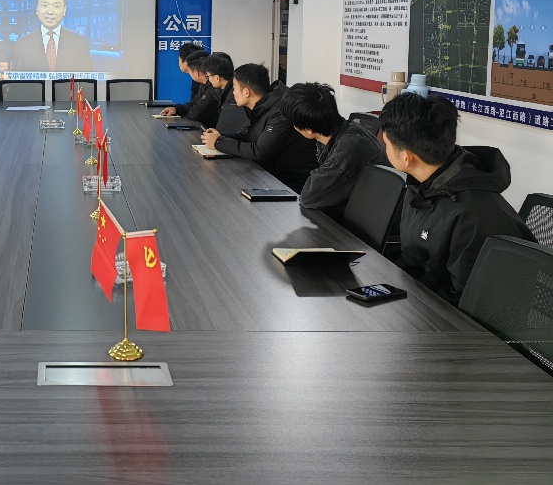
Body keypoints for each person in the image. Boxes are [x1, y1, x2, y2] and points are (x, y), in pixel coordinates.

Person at [378, 93, 535, 304]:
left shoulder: (472, 217)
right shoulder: (423, 185)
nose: (384, 149)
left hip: (454, 317)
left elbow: (465, 301)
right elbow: (414, 260)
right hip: (420, 298)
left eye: (386, 145)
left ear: (407, 158)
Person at [200, 63, 317, 193]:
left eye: (234, 88)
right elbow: (247, 135)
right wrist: (219, 136)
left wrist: (218, 142)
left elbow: (260, 152)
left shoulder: (280, 111)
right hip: (270, 176)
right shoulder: (262, 105)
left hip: (291, 183)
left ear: (246, 92)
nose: (233, 93)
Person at [280, 82, 388, 219]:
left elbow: (309, 197)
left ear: (308, 129)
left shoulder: (348, 148)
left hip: (359, 223)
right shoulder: (343, 129)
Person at [9, 0, 93, 71]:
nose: (50, 11)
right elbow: (15, 78)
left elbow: (88, 78)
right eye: (44, 5)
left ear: (64, 11)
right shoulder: (22, 44)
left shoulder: (80, 43)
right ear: (37, 9)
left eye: (56, 6)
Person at [159, 50, 221, 126]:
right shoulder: (203, 85)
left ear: (196, 73)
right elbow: (193, 102)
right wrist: (176, 109)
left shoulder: (213, 88)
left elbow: (195, 113)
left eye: (189, 72)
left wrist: (186, 110)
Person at [200, 51, 240, 129]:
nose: (208, 80)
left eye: (208, 76)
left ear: (217, 78)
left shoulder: (234, 96)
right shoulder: (223, 91)